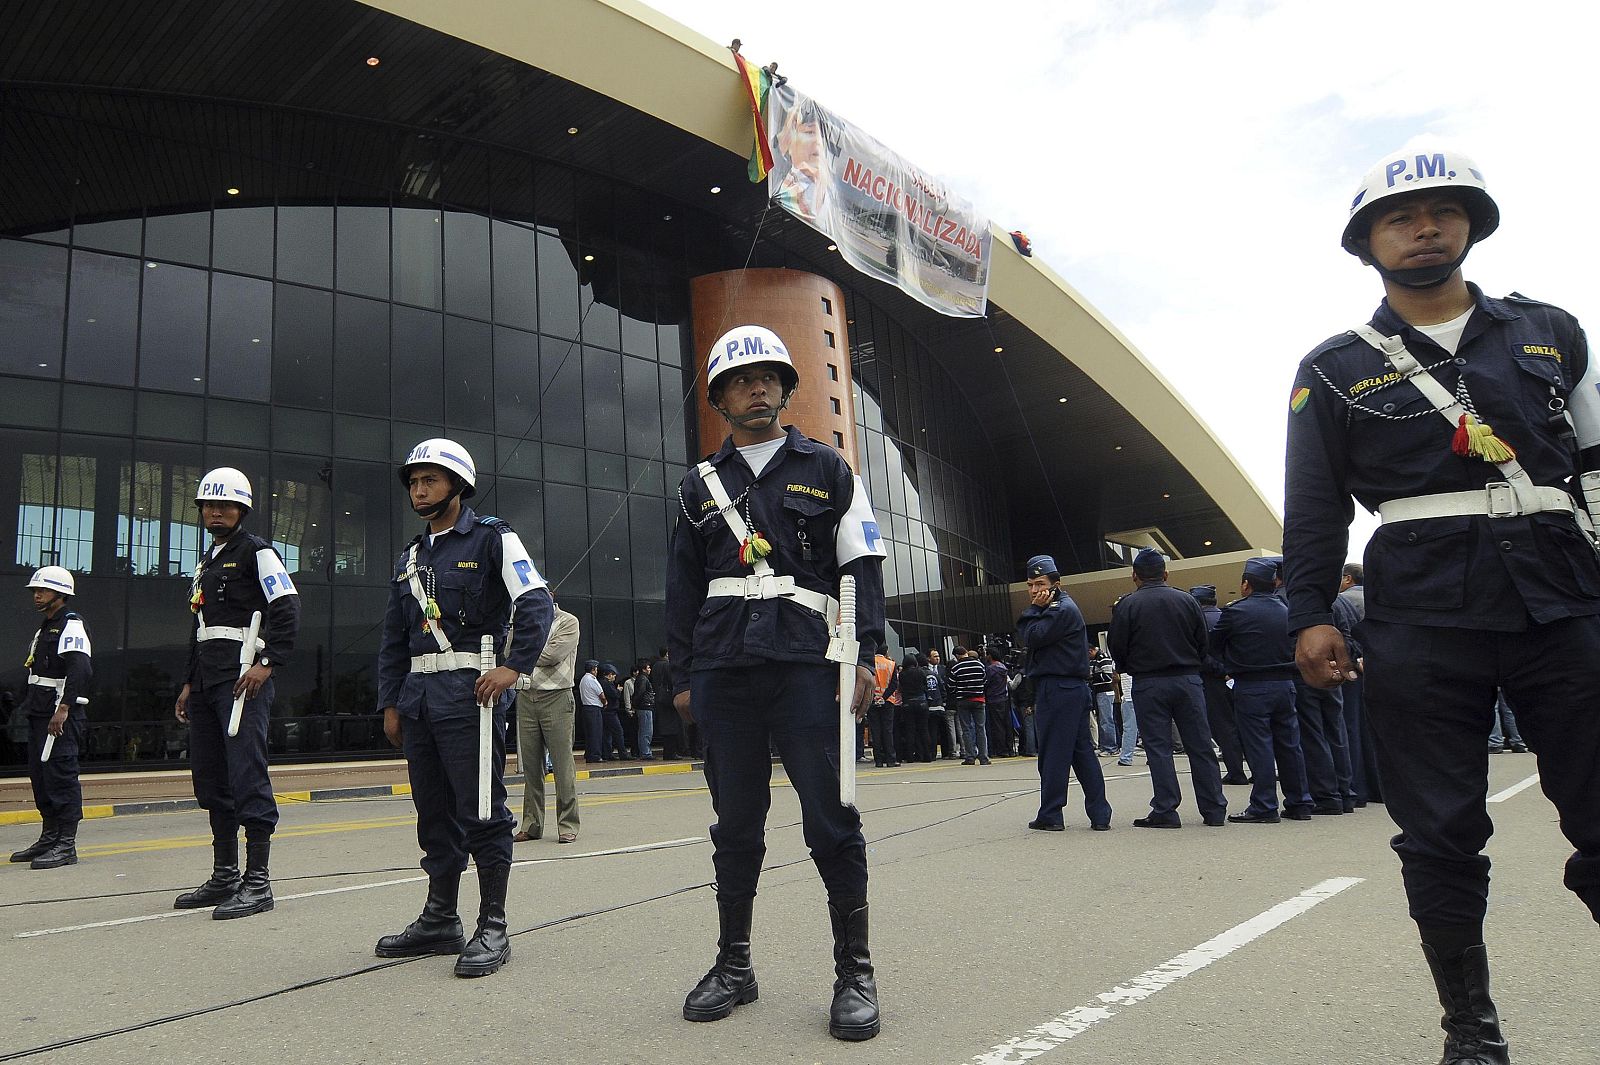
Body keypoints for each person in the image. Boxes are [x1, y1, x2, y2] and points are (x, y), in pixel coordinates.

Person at [1285, 145, 1600, 1063]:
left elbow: (1594, 463)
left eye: (1441, 213)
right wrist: (1309, 613)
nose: (1423, 229)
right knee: (1440, 830)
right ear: (1368, 242)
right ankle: (1472, 1027)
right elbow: (1313, 508)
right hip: (1421, 619)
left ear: (1469, 225)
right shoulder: (1334, 368)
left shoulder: (1551, 331)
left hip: (1564, 600)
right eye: (1400, 217)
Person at [666, 323, 886, 1040]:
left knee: (831, 819)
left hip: (805, 667)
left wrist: (865, 656)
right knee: (734, 825)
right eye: (740, 379)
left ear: (787, 390)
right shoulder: (698, 485)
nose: (756, 387)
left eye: (769, 377)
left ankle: (854, 971)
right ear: (721, 399)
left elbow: (861, 566)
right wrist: (681, 675)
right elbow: (681, 587)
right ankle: (734, 965)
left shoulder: (829, 469)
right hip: (724, 672)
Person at [374, 438, 553, 978]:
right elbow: (392, 639)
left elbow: (535, 601)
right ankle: (439, 918)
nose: (419, 489)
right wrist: (390, 704)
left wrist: (514, 666)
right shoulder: (411, 558)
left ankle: (492, 924)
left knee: (481, 810)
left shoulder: (494, 538)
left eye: (429, 480)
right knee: (433, 814)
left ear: (457, 485)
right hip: (420, 701)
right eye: (413, 481)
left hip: (469, 696)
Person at [173, 468, 300, 919]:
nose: (216, 512)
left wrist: (267, 665)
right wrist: (189, 683)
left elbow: (287, 610)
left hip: (242, 679)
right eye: (209, 505)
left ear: (242, 509)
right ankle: (224, 874)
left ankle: (258, 881)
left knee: (247, 773)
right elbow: (199, 627)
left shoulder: (257, 553)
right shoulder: (208, 560)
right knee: (210, 777)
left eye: (225, 505)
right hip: (208, 682)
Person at [1107, 548, 1227, 828]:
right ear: (1166, 573)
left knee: (1158, 748)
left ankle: (1166, 808)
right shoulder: (1187, 600)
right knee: (1200, 745)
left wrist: (1128, 665)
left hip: (1149, 681)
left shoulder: (1127, 605)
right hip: (1187, 679)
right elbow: (1202, 642)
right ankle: (1213, 809)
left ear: (1134, 576)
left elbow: (1117, 645)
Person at [1210, 558, 1312, 824]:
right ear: (1274, 582)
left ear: (1246, 584)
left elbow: (1214, 646)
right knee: (1290, 746)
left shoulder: (1235, 612)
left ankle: (1265, 805)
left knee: (1259, 747)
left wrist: (1227, 667)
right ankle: (1299, 802)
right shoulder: (1286, 609)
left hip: (1252, 685)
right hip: (1285, 683)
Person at [1019, 555, 1112, 832]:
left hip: (1059, 689)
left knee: (1053, 754)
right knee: (1081, 753)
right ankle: (1100, 814)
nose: (1035, 591)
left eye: (1040, 584)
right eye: (1030, 585)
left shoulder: (1059, 609)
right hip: (1067, 689)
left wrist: (1033, 610)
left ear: (1055, 584)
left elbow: (1032, 636)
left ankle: (1051, 813)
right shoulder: (1058, 607)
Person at [9, 566, 93, 870]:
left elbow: (80, 669)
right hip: (39, 712)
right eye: (35, 591)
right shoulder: (45, 627)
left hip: (59, 714)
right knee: (41, 777)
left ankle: (66, 844)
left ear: (61, 594)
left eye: (42, 590)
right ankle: (49, 837)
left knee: (61, 776)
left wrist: (64, 708)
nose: (37, 595)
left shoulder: (70, 624)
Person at [513, 590, 580, 845]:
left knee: (563, 767)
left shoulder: (568, 621)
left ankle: (568, 824)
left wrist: (524, 653)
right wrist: (522, 652)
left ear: (550, 597)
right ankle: (531, 824)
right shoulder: (524, 622)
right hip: (527, 697)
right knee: (531, 767)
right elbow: (509, 650)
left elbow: (553, 656)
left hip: (557, 697)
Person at [1190, 585, 1249, 785]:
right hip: (1238, 676)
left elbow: (1200, 654)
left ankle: (1235, 771)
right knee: (1245, 725)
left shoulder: (1197, 621)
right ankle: (1256, 769)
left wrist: (1220, 671)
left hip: (1212, 679)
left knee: (1223, 727)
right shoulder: (1227, 615)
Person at [947, 646, 988, 765]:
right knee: (981, 728)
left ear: (957, 656)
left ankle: (970, 757)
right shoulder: (979, 665)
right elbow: (984, 681)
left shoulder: (956, 667)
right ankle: (983, 757)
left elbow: (950, 686)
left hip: (963, 700)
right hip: (979, 699)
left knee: (966, 729)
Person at [868, 648, 899, 767]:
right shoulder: (891, 664)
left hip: (872, 700)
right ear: (886, 652)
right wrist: (884, 697)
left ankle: (878, 760)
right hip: (888, 701)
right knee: (887, 731)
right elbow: (894, 684)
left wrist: (875, 696)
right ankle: (891, 759)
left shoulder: (870, 662)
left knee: (875, 731)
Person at [898, 653, 930, 762]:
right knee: (924, 729)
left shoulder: (902, 674)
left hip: (908, 703)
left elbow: (901, 688)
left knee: (910, 731)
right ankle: (927, 756)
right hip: (921, 701)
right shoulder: (920, 671)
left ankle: (910, 756)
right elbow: (926, 686)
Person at [984, 647, 1015, 757]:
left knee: (997, 725)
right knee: (1007, 724)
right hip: (1004, 698)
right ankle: (1010, 748)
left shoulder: (990, 669)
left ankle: (1001, 749)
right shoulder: (1003, 668)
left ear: (990, 656)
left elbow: (986, 683)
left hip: (993, 698)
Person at [1088, 647, 1118, 754]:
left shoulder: (1103, 658)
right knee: (1102, 720)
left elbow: (1108, 676)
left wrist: (1092, 676)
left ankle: (1111, 747)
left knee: (1106, 720)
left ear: (1091, 650)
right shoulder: (1093, 660)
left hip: (1105, 691)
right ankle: (1104, 746)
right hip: (1098, 692)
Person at [599, 663, 629, 760]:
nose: (614, 676)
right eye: (613, 674)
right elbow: (615, 695)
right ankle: (623, 753)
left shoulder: (603, 683)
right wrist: (619, 690)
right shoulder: (606, 684)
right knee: (618, 731)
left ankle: (608, 754)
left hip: (607, 711)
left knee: (607, 734)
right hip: (610, 712)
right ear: (608, 675)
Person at [631, 659, 656, 760]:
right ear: (644, 669)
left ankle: (645, 751)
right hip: (645, 707)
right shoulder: (643, 679)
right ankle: (646, 752)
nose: (650, 669)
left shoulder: (641, 679)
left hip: (644, 707)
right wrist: (636, 704)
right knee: (646, 731)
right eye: (648, 667)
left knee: (645, 730)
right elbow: (640, 693)